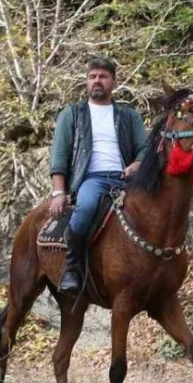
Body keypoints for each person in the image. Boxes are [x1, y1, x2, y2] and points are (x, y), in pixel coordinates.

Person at [48, 57, 147, 294]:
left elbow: (145, 148)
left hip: (127, 179)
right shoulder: (71, 114)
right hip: (93, 179)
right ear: (86, 82)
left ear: (114, 81)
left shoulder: (128, 115)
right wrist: (59, 192)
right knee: (85, 209)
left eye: (103, 76)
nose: (97, 81)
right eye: (92, 76)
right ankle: (72, 269)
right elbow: (59, 156)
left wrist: (137, 164)